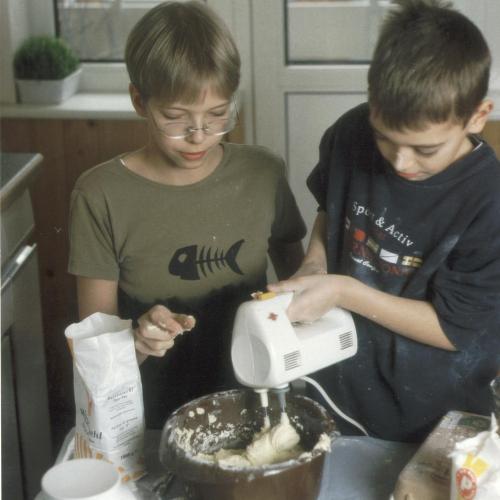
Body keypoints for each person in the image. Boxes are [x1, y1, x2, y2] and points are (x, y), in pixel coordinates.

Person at [269, 0, 500, 443]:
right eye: (385, 138)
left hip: (433, 412)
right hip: (338, 385)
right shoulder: (350, 134)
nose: (400, 161)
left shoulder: (488, 202)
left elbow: (455, 330)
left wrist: (343, 290)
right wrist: (316, 264)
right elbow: (330, 208)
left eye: (425, 150)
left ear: (477, 116)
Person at [68, 1, 306, 429]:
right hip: (151, 412)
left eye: (218, 116)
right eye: (175, 118)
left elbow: (300, 285)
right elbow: (95, 348)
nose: (199, 136)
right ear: (140, 101)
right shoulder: (99, 194)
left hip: (255, 398)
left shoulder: (262, 173)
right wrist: (140, 339)